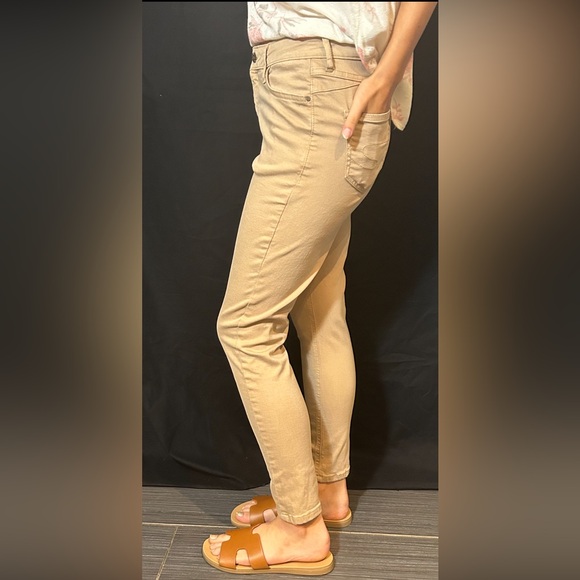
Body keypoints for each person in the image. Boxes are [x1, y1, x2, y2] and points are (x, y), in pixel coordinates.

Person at [202, 2, 438, 575]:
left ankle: (300, 527)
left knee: (246, 326)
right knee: (321, 310)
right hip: (315, 88)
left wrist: (387, 73)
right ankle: (326, 493)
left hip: (318, 89)